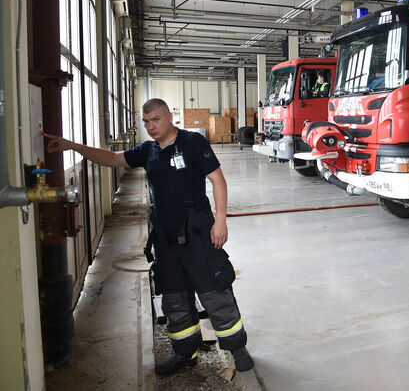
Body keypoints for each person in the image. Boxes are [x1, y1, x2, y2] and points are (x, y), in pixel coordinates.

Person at [43, 98, 253, 376]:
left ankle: (237, 348)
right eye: (146, 121)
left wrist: (221, 219)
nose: (150, 126)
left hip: (198, 232)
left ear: (169, 117)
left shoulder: (192, 143)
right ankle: (185, 354)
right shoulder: (148, 151)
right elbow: (113, 159)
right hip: (165, 238)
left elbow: (217, 179)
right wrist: (73, 146)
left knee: (214, 291)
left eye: (155, 119)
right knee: (175, 297)